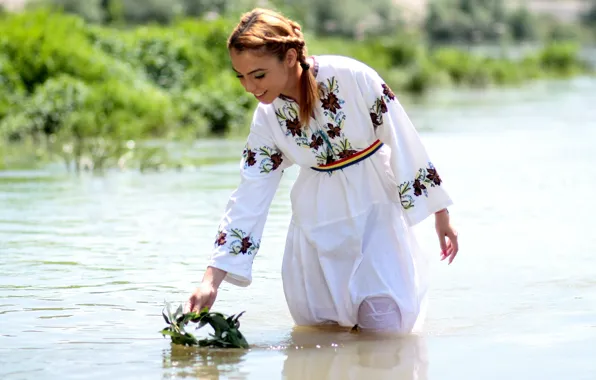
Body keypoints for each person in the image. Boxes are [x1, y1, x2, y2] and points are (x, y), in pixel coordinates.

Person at [186, 8, 459, 334]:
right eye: (240, 76)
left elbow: (402, 138)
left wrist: (440, 212)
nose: (249, 87)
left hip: (376, 212)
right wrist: (210, 280)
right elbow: (249, 194)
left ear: (289, 57)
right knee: (323, 331)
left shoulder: (352, 76)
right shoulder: (268, 118)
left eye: (258, 75)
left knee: (384, 328)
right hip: (317, 224)